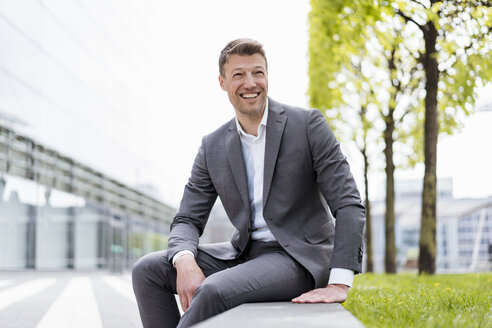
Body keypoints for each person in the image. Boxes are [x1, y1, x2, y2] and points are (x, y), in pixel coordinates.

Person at [132, 38, 365, 328]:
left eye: (258, 72)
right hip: (243, 254)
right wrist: (184, 260)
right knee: (147, 270)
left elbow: (348, 204)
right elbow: (187, 219)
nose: (250, 83)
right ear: (222, 82)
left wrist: (340, 282)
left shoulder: (307, 126)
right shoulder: (213, 145)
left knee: (213, 291)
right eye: (238, 75)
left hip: (297, 257)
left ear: (267, 76)